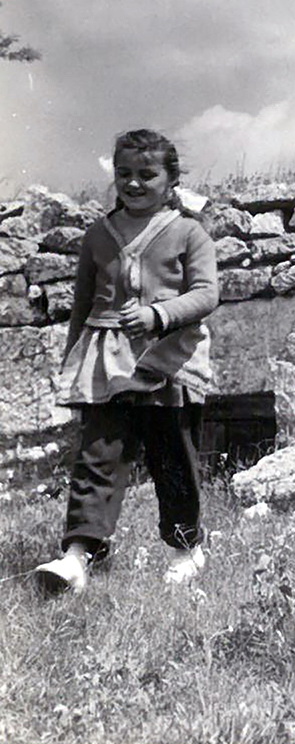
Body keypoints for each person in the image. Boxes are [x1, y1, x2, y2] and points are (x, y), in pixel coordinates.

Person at [35, 129, 219, 595]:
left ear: (171, 179)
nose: (133, 183)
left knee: (171, 456)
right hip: (106, 363)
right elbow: (82, 304)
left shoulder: (189, 232)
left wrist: (159, 315)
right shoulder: (98, 235)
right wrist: (72, 363)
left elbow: (206, 294)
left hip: (169, 361)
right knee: (98, 455)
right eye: (124, 173)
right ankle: (78, 556)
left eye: (146, 174)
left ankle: (185, 548)